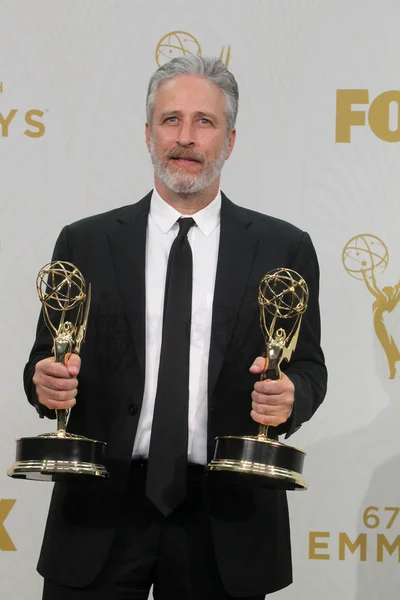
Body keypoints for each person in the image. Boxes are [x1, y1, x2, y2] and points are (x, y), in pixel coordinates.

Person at [24, 55, 327, 600]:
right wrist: (45, 384)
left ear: (230, 140)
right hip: (101, 512)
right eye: (170, 120)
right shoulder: (86, 242)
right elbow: (46, 360)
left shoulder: (284, 247)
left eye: (204, 122)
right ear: (147, 133)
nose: (184, 138)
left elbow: (308, 368)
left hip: (226, 517)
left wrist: (291, 399)